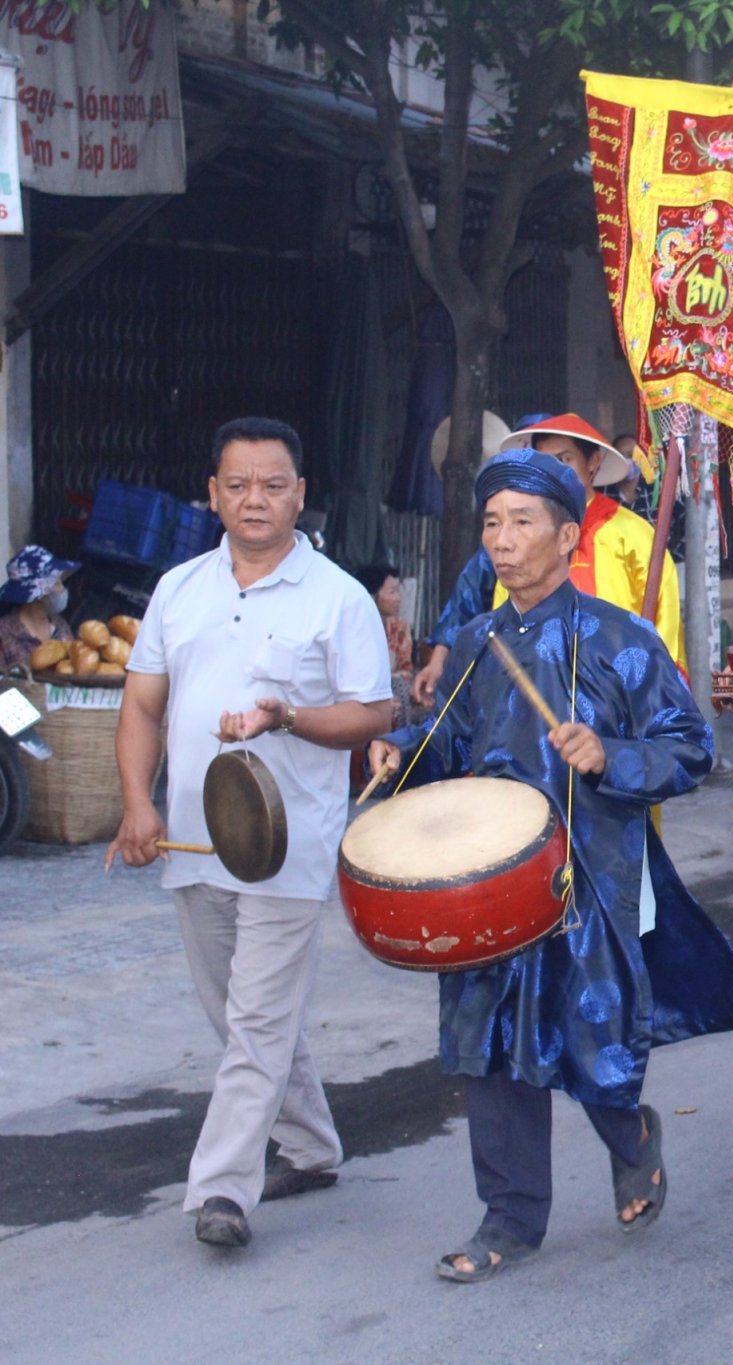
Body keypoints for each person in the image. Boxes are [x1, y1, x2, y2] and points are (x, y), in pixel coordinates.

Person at [367, 450, 733, 1282]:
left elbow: (689, 749)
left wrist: (610, 752)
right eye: (492, 523)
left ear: (565, 532)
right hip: (483, 877)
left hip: (587, 874)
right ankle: (510, 1217)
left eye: (522, 522)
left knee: (589, 1036)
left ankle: (632, 1137)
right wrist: (399, 748)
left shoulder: (621, 640)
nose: (504, 540)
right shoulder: (476, 642)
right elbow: (445, 744)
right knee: (488, 1043)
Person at [105, 417, 394, 1249]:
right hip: (195, 839)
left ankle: (222, 1191)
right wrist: (137, 801)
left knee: (259, 1018)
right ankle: (310, 1145)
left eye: (272, 484)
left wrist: (290, 717)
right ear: (213, 494)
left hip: (288, 843)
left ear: (300, 494)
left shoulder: (337, 595)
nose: (255, 499)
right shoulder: (179, 587)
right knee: (237, 1015)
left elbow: (375, 711)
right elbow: (142, 703)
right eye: (238, 484)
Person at [412, 414, 683, 706]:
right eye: (545, 462)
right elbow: (504, 619)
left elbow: (664, 623)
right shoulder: (516, 536)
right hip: (541, 697)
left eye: (564, 459)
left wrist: (649, 689)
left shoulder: (634, 535)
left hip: (623, 696)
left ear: (593, 462)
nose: (554, 471)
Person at [0, 545, 79, 671]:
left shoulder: (59, 625)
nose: (62, 589)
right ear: (38, 594)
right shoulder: (5, 633)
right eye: (56, 583)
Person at [353, 562, 414, 710]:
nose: (398, 598)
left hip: (391, 690)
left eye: (398, 592)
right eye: (392, 592)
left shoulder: (399, 628)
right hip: (360, 695)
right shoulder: (354, 629)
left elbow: (406, 669)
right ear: (372, 596)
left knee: (400, 688)